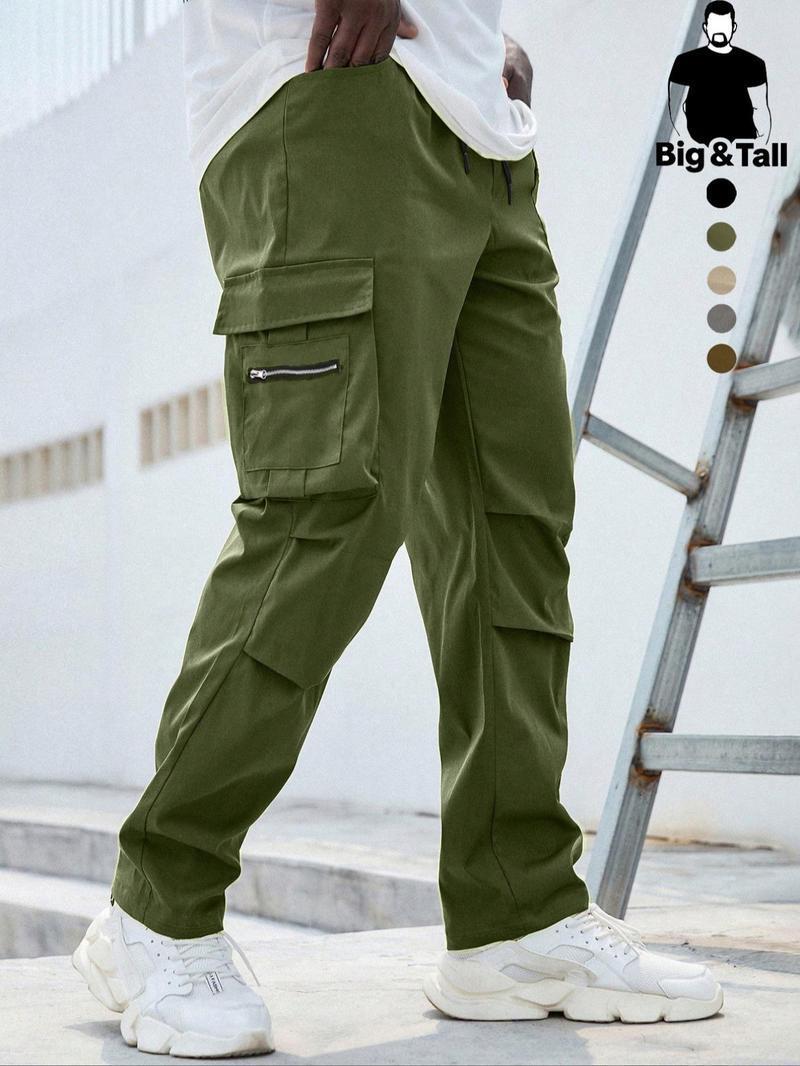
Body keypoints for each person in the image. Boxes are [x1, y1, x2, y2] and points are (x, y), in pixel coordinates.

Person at [72, 1, 723, 1056]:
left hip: (483, 127)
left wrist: (475, 40)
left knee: (512, 530)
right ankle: (158, 906)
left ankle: (514, 917)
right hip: (325, 88)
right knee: (325, 508)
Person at [669, 0, 769, 145]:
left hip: (740, 143)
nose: (719, 31)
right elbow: (672, 107)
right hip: (697, 143)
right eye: (715, 25)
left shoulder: (753, 64)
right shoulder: (685, 62)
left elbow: (761, 108)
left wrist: (761, 145)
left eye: (724, 25)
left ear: (733, 27)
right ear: (705, 27)